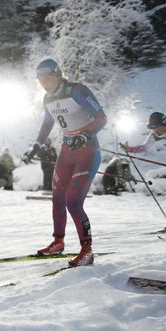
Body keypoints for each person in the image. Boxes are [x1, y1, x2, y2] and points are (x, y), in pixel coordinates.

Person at [22, 59, 107, 266]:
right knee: (58, 198)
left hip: (87, 150)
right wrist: (37, 145)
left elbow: (101, 118)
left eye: (48, 78)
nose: (44, 82)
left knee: (73, 201)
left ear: (58, 75)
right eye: (41, 79)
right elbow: (48, 123)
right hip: (67, 150)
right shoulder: (47, 98)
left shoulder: (77, 90)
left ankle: (87, 250)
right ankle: (58, 242)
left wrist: (85, 134)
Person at [122, 111, 166, 231]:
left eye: (158, 128)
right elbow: (144, 147)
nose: (156, 131)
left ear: (165, 123)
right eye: (153, 128)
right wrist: (129, 149)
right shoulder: (154, 135)